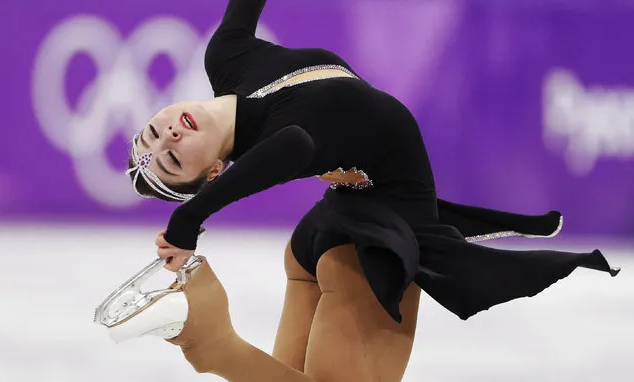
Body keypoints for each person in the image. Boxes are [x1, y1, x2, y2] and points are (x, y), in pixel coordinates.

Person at [123, 0, 620, 380]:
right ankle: (207, 341)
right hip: (371, 247)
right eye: (171, 160)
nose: (167, 136)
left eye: (153, 130)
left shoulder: (228, 58)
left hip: (331, 234)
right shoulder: (278, 138)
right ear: (213, 172)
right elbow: (292, 145)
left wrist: (190, 217)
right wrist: (188, 221)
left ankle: (201, 335)